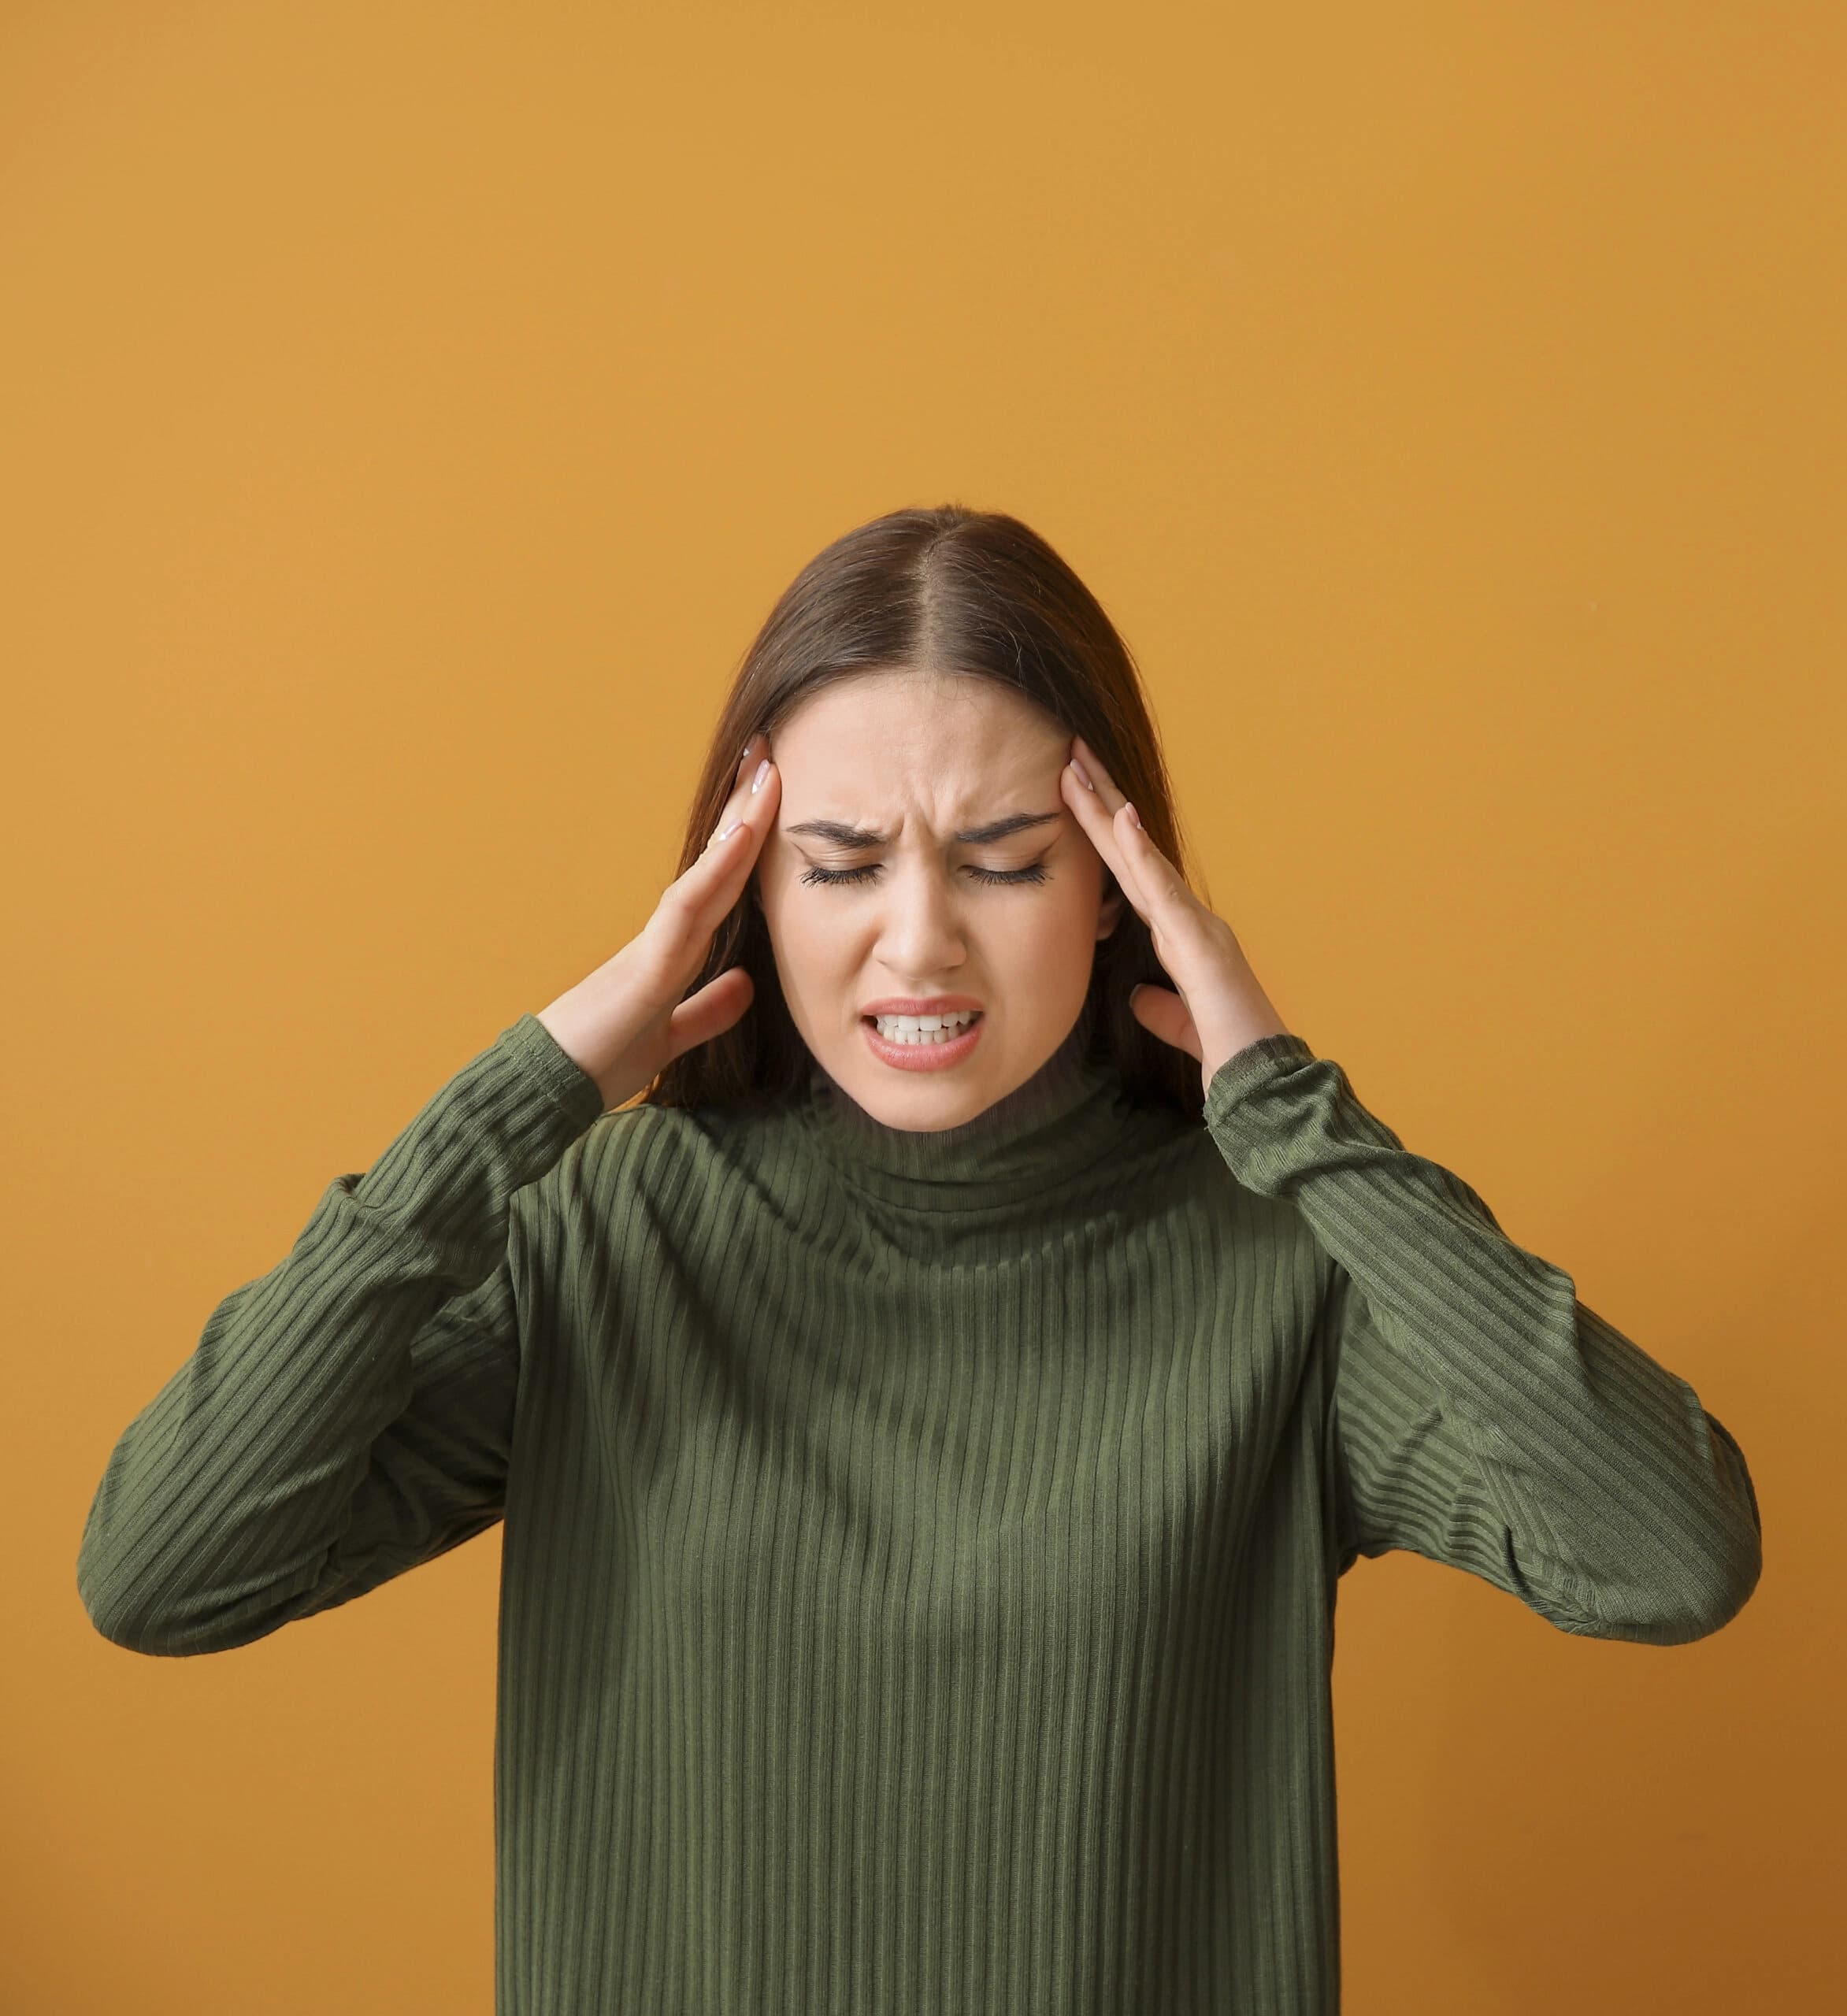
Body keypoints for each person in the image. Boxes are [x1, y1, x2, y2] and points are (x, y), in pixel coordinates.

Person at [76, 503, 1764, 2015]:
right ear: (746, 888)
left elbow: (1670, 1551)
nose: (917, 936)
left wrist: (1303, 1119)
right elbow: (162, 1568)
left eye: (1005, 859)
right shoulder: (609, 1232)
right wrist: (516, 1100)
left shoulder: (1279, 1264)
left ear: (1118, 888)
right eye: (841, 860)